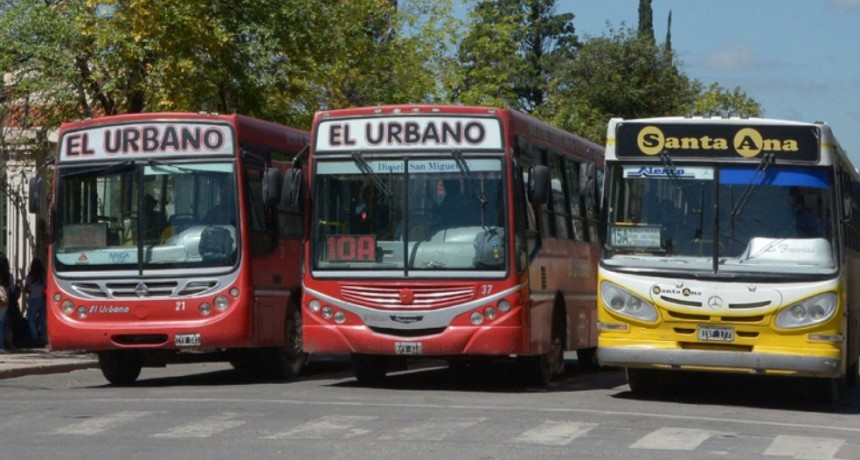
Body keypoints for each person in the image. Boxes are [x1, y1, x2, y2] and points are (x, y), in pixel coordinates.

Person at [24, 258, 46, 347]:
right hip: (42, 299)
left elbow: (26, 288)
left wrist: (30, 290)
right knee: (42, 320)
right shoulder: (43, 276)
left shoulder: (30, 276)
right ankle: (44, 338)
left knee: (31, 320)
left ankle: (35, 337)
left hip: (33, 299)